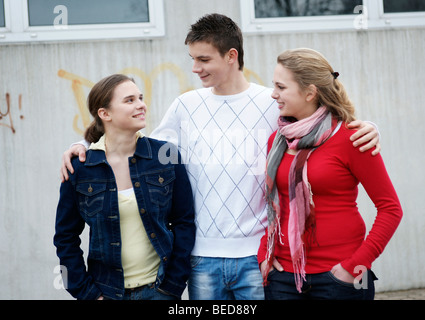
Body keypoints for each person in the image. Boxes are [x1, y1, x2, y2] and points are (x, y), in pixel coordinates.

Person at [60, 14, 380, 300]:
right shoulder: (186, 106)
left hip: (259, 257)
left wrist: (368, 126)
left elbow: (323, 131)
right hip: (202, 261)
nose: (195, 68)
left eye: (203, 59)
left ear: (231, 56)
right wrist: (86, 145)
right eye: (192, 59)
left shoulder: (271, 104)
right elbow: (133, 144)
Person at [258, 48, 403, 300]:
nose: (273, 94)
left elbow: (390, 208)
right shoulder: (278, 140)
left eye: (281, 87)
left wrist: (355, 265)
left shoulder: (352, 137)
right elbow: (273, 206)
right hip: (283, 277)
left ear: (310, 92)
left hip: (341, 278)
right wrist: (265, 256)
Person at [54, 74, 195, 300]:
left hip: (160, 289)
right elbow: (65, 238)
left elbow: (184, 221)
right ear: (105, 113)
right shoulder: (81, 168)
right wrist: (87, 294)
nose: (141, 105)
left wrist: (174, 283)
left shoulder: (165, 156)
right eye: (129, 100)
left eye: (140, 97)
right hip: (106, 292)